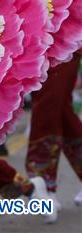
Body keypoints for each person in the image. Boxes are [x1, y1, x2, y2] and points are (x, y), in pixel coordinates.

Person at [26, 51, 82, 225]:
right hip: (33, 39)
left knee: (49, 107)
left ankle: (44, 183)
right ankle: (44, 184)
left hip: (64, 38)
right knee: (58, 109)